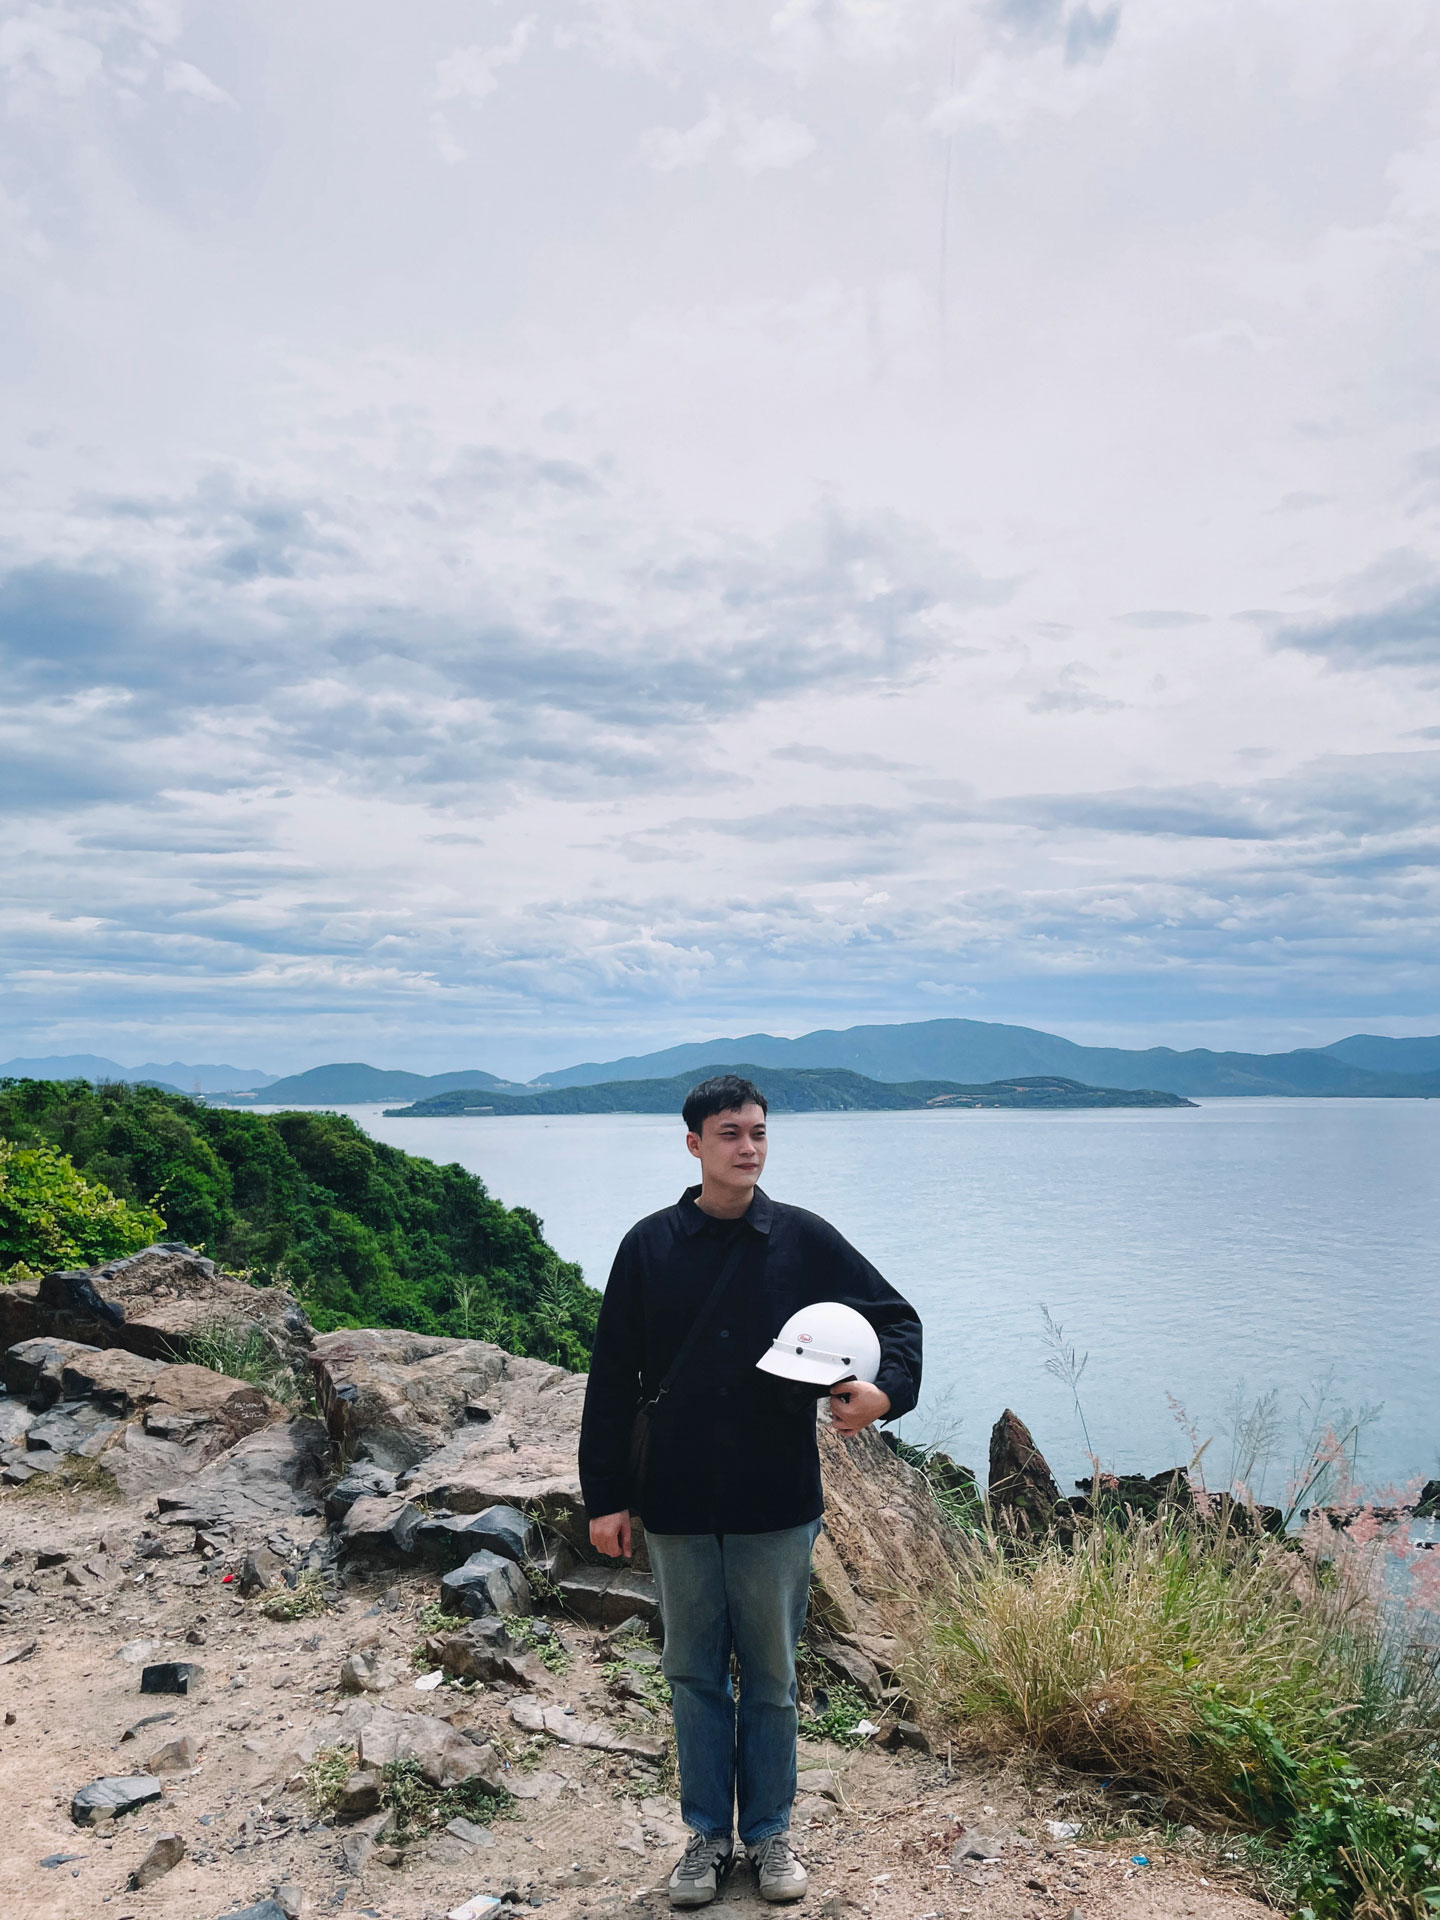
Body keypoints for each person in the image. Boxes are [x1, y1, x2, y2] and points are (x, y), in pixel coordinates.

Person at [579, 1073, 923, 1908]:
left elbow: (897, 1319)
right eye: (730, 1132)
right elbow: (612, 1379)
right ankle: (705, 1837)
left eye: (759, 1132)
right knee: (693, 1673)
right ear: (693, 1143)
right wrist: (606, 1498)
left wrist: (884, 1393)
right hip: (677, 1499)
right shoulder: (649, 1246)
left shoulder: (802, 1240)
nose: (748, 1147)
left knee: (771, 1676)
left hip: (776, 1499)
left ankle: (769, 1838)